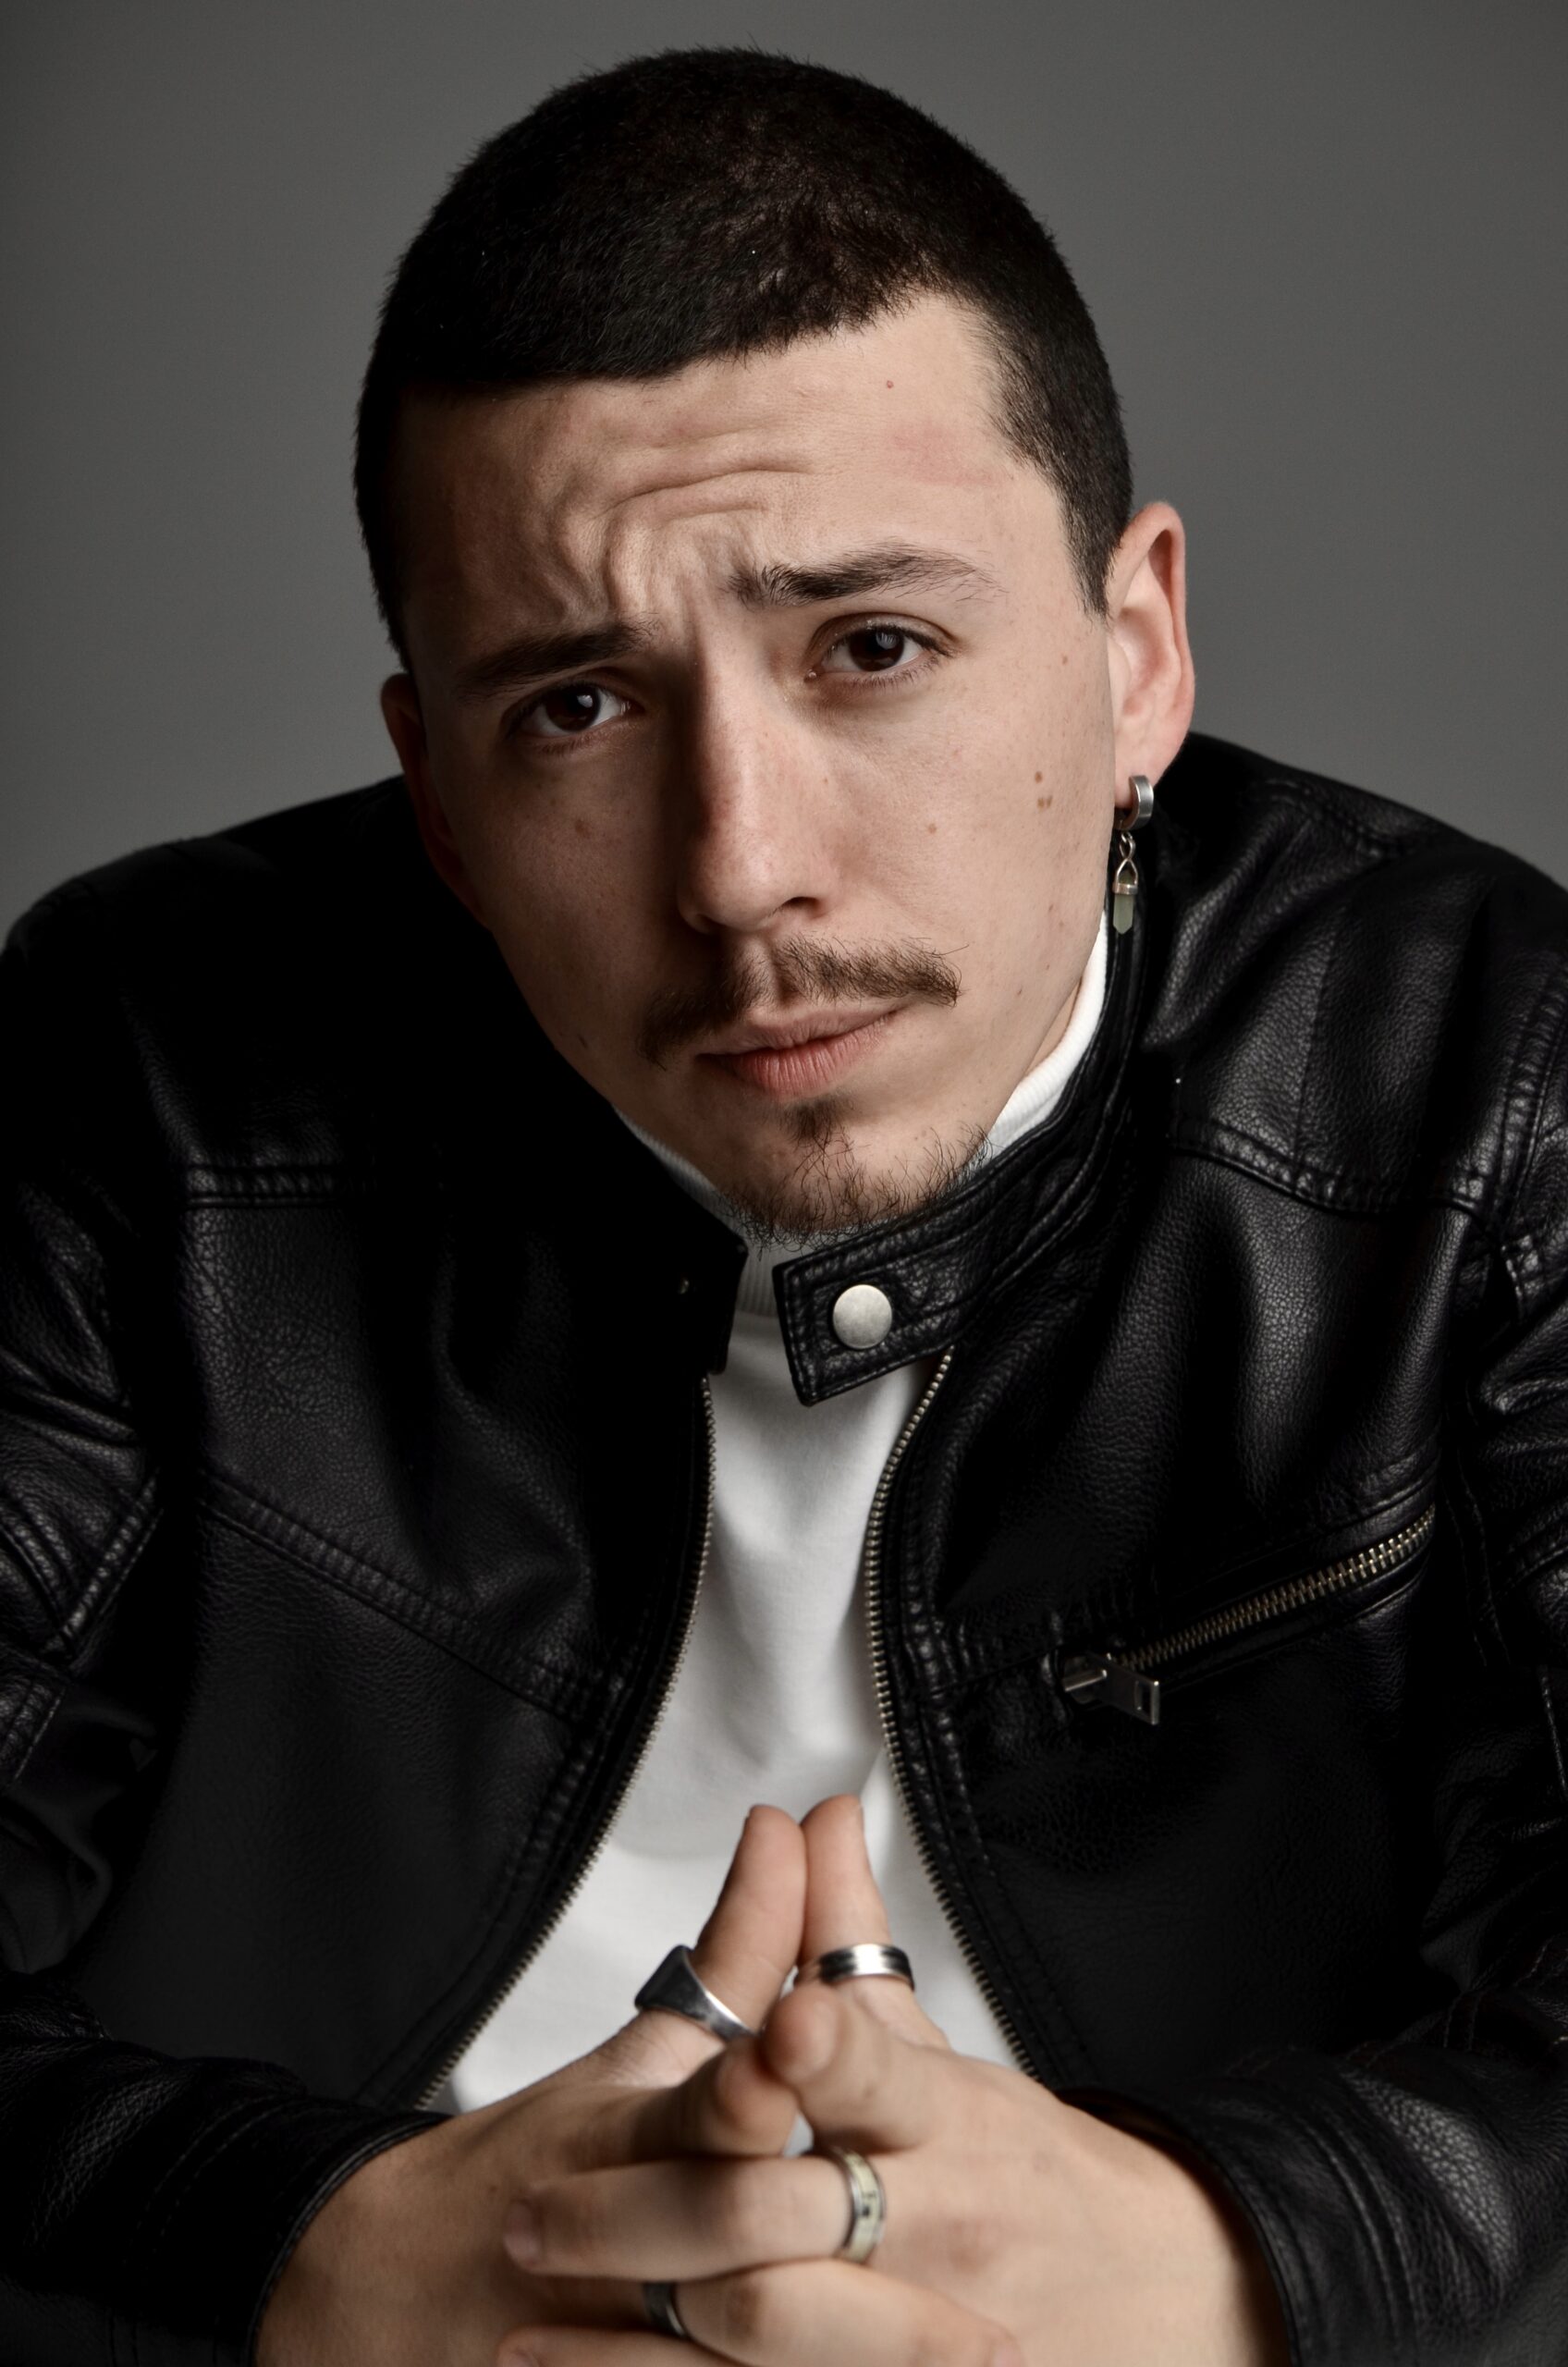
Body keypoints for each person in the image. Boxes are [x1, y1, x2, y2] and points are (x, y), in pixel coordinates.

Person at [3, 41, 1567, 2367]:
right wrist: (299, 2242)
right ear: (435, 800)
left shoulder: (1482, 1078)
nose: (740, 871)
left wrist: (1238, 2256)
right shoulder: (143, 1073)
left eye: (871, 647)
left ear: (1134, 654)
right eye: (576, 707)